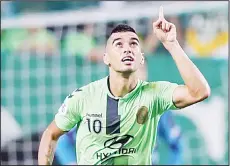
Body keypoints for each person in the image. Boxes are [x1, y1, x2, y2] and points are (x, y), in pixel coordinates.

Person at [38, 6, 210, 165]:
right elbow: (51, 135)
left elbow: (199, 92)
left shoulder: (155, 96)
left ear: (141, 59)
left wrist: (172, 45)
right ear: (106, 58)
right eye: (118, 44)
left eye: (134, 44)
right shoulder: (83, 97)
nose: (127, 49)